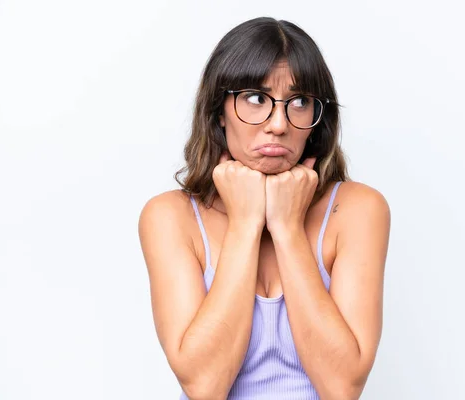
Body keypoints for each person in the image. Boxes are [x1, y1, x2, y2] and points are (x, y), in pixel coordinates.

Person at [138, 17, 391, 400]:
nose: (277, 124)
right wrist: (245, 223)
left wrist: (287, 228)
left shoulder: (357, 210)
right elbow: (204, 387)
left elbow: (341, 388)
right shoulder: (170, 217)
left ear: (317, 121)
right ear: (219, 111)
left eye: (300, 102)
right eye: (256, 99)